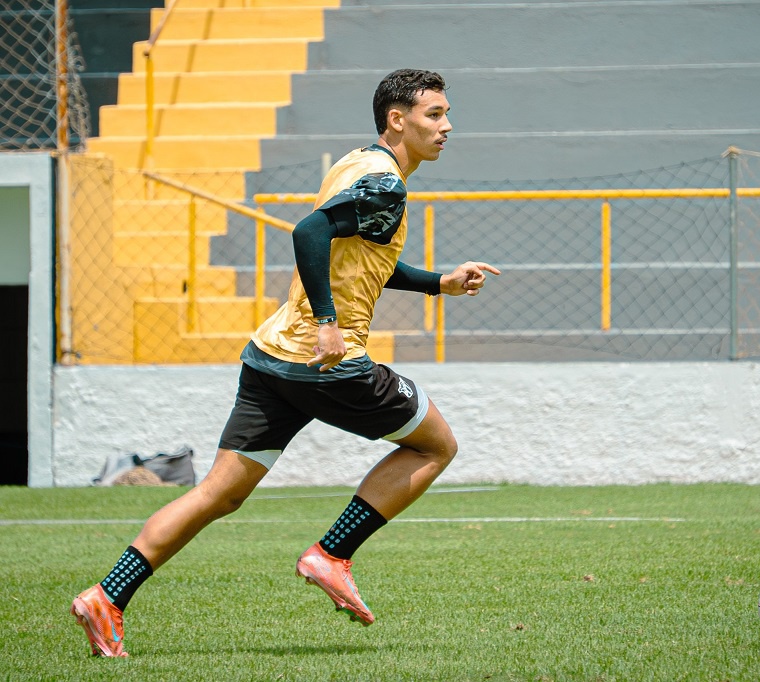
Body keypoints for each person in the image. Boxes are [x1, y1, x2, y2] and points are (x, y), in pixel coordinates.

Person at [70, 68, 500, 658]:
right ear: (397, 119)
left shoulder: (359, 165)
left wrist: (438, 283)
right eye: (435, 114)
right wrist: (327, 322)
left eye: (447, 114)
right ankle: (331, 554)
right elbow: (310, 232)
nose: (447, 126)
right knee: (436, 446)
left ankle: (107, 597)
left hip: (271, 358)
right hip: (326, 360)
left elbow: (360, 258)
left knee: (217, 495)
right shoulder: (386, 185)